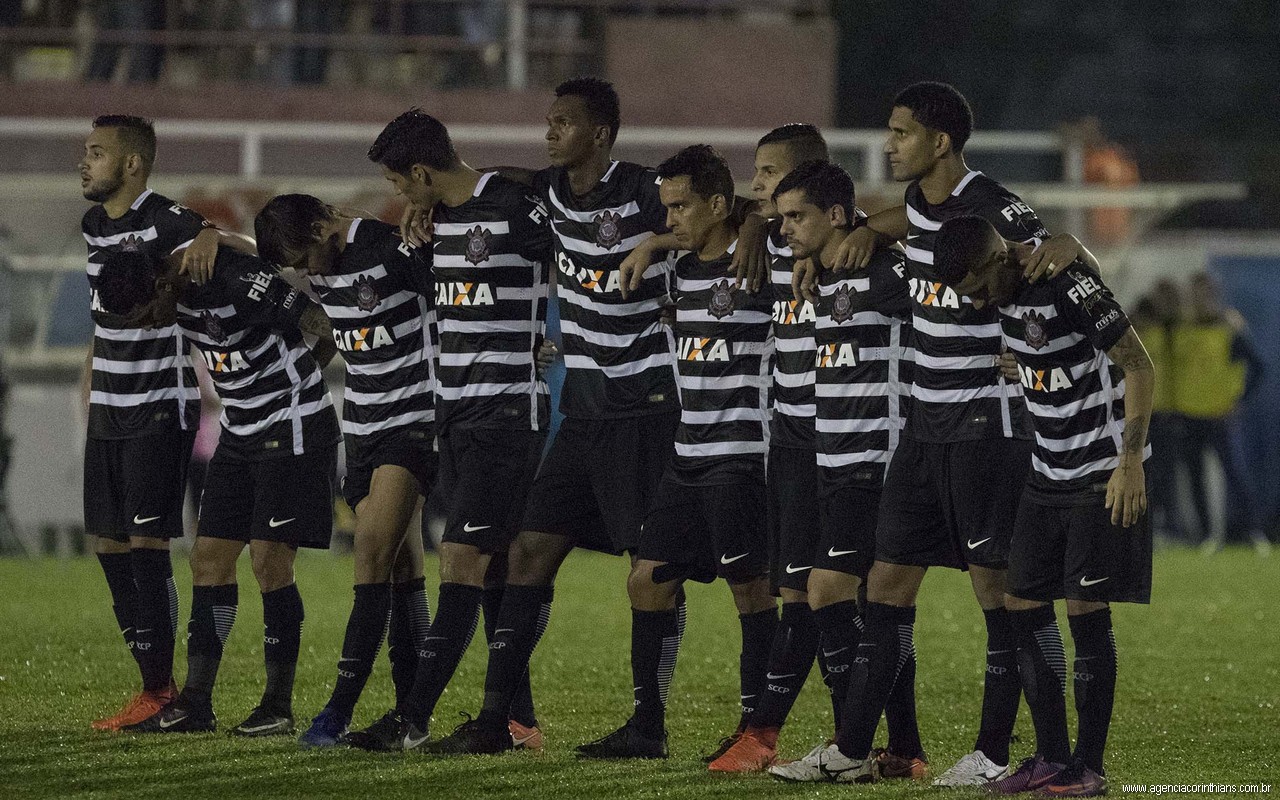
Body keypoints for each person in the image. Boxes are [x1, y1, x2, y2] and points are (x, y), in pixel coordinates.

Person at [789, 82, 1093, 785]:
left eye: (900, 133)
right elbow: (910, 220)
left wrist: (1070, 246)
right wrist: (865, 229)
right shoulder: (924, 206)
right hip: (924, 427)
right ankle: (854, 750)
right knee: (887, 583)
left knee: (1002, 593)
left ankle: (993, 752)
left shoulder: (993, 207)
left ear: (941, 142)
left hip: (989, 425)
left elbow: (1060, 265)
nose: (889, 144)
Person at [414, 77, 684, 756]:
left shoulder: (646, 189)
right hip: (583, 411)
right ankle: (497, 721)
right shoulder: (547, 194)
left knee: (647, 570)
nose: (549, 131)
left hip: (643, 407)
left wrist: (656, 244)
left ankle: (647, 725)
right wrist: (424, 206)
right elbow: (488, 179)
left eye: (563, 122)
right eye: (548, 121)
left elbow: (722, 215)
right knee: (527, 553)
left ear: (599, 133)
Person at [344, 109, 553, 751]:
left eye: (402, 184)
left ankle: (411, 718)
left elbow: (577, 249)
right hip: (454, 415)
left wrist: (555, 334)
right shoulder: (438, 226)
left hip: (507, 413)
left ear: (423, 171)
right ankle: (515, 723)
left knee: (460, 557)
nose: (400, 197)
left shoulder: (516, 207)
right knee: (490, 566)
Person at [934, 214, 1155, 797]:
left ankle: (1089, 767)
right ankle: (1052, 758)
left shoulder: (1062, 280)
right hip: (1046, 472)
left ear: (997, 258)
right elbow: (1052, 348)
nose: (979, 302)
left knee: (1085, 612)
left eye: (980, 288)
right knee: (1020, 603)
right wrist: (1026, 364)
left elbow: (1139, 365)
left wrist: (1128, 462)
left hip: (1097, 474)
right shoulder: (1007, 289)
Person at [575, 145, 778, 760]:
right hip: (687, 454)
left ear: (719, 204)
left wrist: (759, 222)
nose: (669, 220)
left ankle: (755, 731)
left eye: (681, 207)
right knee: (647, 581)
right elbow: (669, 246)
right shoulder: (677, 270)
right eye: (664, 209)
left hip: (744, 453)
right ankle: (647, 726)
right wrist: (657, 245)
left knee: (753, 590)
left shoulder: (763, 262)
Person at [93, 244, 340, 736]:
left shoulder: (230, 277)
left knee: (270, 562)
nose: (145, 326)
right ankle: (197, 705)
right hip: (239, 430)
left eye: (144, 315)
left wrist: (299, 376)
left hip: (292, 427)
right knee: (208, 559)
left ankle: (276, 707)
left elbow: (321, 320)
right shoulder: (175, 280)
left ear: (161, 287)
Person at [78, 114, 250, 732]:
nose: (84, 163)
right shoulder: (95, 225)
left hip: (159, 405)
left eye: (96, 153)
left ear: (131, 165)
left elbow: (248, 249)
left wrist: (213, 236)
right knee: (107, 542)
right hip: (109, 407)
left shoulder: (167, 218)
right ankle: (153, 681)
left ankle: (160, 689)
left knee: (149, 543)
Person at [254, 193, 435, 748]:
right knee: (403, 571)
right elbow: (338, 331)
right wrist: (304, 374)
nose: (307, 273)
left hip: (414, 419)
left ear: (321, 227)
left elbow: (455, 300)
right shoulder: (326, 266)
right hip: (360, 428)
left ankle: (338, 708)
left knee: (369, 553)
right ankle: (412, 713)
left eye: (304, 258)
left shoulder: (389, 247)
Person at [764, 161, 923, 781]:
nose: (784, 230)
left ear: (837, 216)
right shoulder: (823, 274)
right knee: (877, 609)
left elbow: (946, 278)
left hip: (875, 461)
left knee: (827, 590)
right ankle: (901, 747)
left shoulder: (883, 272)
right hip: (833, 459)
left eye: (795, 217)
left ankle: (851, 747)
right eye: (780, 219)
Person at [1173, 272, 1269, 554]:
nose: (1199, 299)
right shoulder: (1180, 326)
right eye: (1194, 293)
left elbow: (1258, 366)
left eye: (1204, 293)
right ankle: (1206, 536)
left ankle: (1253, 532)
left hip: (1218, 413)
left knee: (1234, 474)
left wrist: (1238, 400)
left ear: (1213, 295)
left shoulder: (1228, 327)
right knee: (1195, 477)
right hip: (1188, 412)